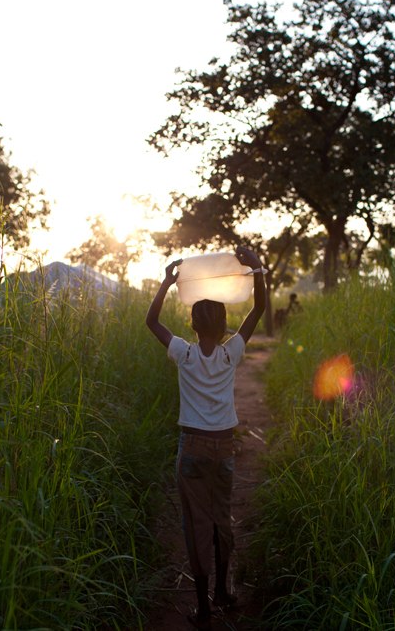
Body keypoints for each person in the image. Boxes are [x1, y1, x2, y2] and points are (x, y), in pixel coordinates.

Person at [145, 246, 266, 630]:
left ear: (194, 326)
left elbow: (152, 322)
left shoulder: (183, 353)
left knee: (195, 524)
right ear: (225, 325)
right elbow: (259, 309)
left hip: (192, 449)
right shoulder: (232, 353)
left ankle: (202, 606)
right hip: (223, 447)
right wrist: (256, 268)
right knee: (221, 520)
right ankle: (224, 594)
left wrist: (167, 282)